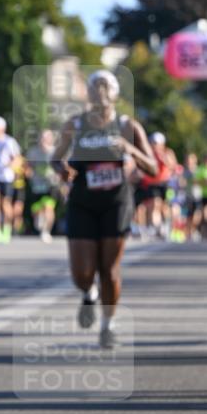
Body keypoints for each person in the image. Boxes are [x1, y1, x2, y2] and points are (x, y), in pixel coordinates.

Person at [51, 69, 156, 349]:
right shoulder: (75, 124)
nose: (100, 91)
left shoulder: (127, 126)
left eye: (106, 86)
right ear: (87, 92)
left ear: (115, 92)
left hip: (116, 202)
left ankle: (108, 325)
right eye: (95, 86)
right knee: (81, 272)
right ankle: (89, 292)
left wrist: (129, 149)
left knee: (110, 269)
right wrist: (62, 170)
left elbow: (154, 167)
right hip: (83, 201)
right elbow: (55, 158)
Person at [26, 129, 61, 243]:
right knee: (36, 209)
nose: (44, 140)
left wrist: (59, 177)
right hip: (36, 184)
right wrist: (28, 172)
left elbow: (62, 166)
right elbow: (28, 166)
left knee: (48, 207)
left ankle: (46, 231)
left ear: (51, 139)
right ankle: (39, 221)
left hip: (51, 184)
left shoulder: (55, 152)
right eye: (42, 137)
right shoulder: (33, 152)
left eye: (47, 137)